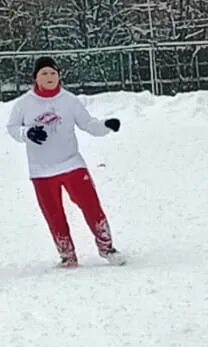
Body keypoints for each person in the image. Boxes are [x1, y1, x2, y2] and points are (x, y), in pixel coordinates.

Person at [6, 56, 125, 268]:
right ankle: (67, 256)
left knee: (91, 206)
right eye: (44, 73)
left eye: (53, 73)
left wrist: (106, 125)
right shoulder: (24, 104)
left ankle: (107, 248)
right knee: (54, 215)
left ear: (59, 75)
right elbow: (12, 127)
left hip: (71, 164)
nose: (49, 77)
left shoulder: (69, 100)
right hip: (41, 171)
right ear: (36, 78)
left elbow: (88, 124)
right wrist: (27, 133)